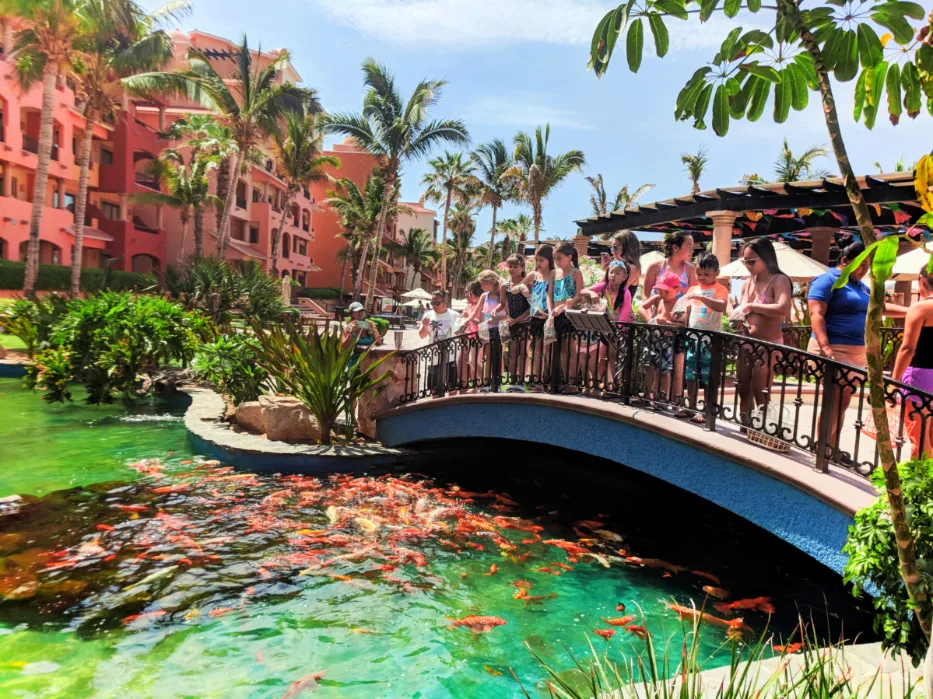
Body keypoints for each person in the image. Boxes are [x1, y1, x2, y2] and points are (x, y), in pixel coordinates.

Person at [808, 238, 907, 449]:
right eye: (861, 264)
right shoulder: (828, 280)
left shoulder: (861, 287)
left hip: (856, 354)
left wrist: (914, 312)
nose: (865, 270)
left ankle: (831, 448)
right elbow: (816, 314)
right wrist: (825, 347)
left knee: (843, 403)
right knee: (832, 401)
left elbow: (880, 308)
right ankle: (821, 447)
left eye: (867, 266)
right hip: (833, 348)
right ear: (845, 260)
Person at [734, 238, 793, 428]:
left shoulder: (779, 280)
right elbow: (743, 311)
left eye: (752, 261)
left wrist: (752, 306)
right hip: (746, 341)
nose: (748, 266)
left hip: (767, 344)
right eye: (745, 262)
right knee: (743, 386)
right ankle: (745, 424)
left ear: (766, 258)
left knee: (761, 390)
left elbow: (784, 308)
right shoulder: (747, 283)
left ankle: (764, 426)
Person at [682, 254, 729, 423]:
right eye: (699, 274)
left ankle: (707, 408)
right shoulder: (692, 289)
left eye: (706, 274)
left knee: (707, 374)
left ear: (716, 272)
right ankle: (690, 406)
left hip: (710, 338)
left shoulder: (720, 289)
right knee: (690, 372)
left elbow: (722, 306)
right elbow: (687, 311)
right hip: (693, 337)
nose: (701, 278)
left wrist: (702, 298)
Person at [893, 265, 933, 458]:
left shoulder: (921, 308)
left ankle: (921, 484)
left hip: (920, 376)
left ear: (921, 281)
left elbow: (907, 349)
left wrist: (894, 381)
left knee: (919, 436)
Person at [581, 259, 633, 391]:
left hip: (619, 330)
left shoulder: (625, 292)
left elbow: (625, 313)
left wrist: (617, 330)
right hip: (607, 329)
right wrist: (592, 292)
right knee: (603, 358)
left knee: (613, 358)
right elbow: (583, 291)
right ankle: (603, 385)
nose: (613, 275)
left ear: (624, 276)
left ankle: (613, 386)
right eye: (611, 272)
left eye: (617, 273)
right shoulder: (604, 286)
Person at [638, 270, 686, 403]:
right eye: (660, 291)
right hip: (653, 337)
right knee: (649, 366)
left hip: (667, 340)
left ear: (676, 289)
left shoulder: (678, 304)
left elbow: (682, 323)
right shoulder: (658, 298)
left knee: (664, 370)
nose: (662, 294)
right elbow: (641, 308)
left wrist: (668, 323)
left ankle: (662, 399)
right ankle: (647, 396)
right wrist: (650, 320)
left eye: (666, 291)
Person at [519, 244, 555, 386]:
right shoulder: (533, 275)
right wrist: (524, 289)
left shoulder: (553, 273)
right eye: (536, 260)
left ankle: (547, 378)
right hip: (535, 316)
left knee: (548, 350)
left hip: (548, 315)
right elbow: (518, 286)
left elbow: (551, 295)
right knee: (536, 348)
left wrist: (550, 313)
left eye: (541, 260)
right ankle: (536, 378)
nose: (538, 264)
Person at [498, 254, 532, 391]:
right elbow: (502, 304)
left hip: (525, 322)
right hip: (510, 322)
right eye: (509, 266)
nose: (511, 269)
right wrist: (502, 314)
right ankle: (512, 382)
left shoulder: (527, 283)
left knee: (523, 353)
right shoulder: (504, 285)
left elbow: (531, 307)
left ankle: (521, 382)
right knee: (511, 352)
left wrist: (517, 320)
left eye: (515, 266)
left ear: (522, 267)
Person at [418, 291, 460, 395]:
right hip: (434, 357)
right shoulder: (428, 315)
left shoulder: (454, 315)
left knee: (452, 388)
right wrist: (424, 325)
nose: (434, 306)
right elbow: (422, 335)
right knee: (434, 390)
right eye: (432, 303)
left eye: (437, 303)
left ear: (445, 303)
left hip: (451, 357)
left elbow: (461, 333)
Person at [643, 233, 696, 299]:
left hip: (681, 309)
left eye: (692, 247)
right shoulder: (655, 267)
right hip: (657, 309)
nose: (692, 251)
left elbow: (694, 297)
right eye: (689, 246)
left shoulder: (691, 270)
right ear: (675, 247)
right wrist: (648, 309)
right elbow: (645, 296)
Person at [342, 301, 382, 369]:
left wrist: (373, 330)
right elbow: (344, 347)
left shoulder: (370, 324)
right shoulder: (348, 327)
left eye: (362, 311)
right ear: (351, 314)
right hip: (354, 364)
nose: (361, 313)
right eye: (357, 311)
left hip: (370, 362)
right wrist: (351, 332)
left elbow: (379, 342)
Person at [612, 230, 642, 300]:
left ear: (627, 247)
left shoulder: (632, 267)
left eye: (616, 246)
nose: (613, 250)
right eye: (612, 247)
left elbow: (617, 291)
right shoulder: (615, 264)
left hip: (622, 310)